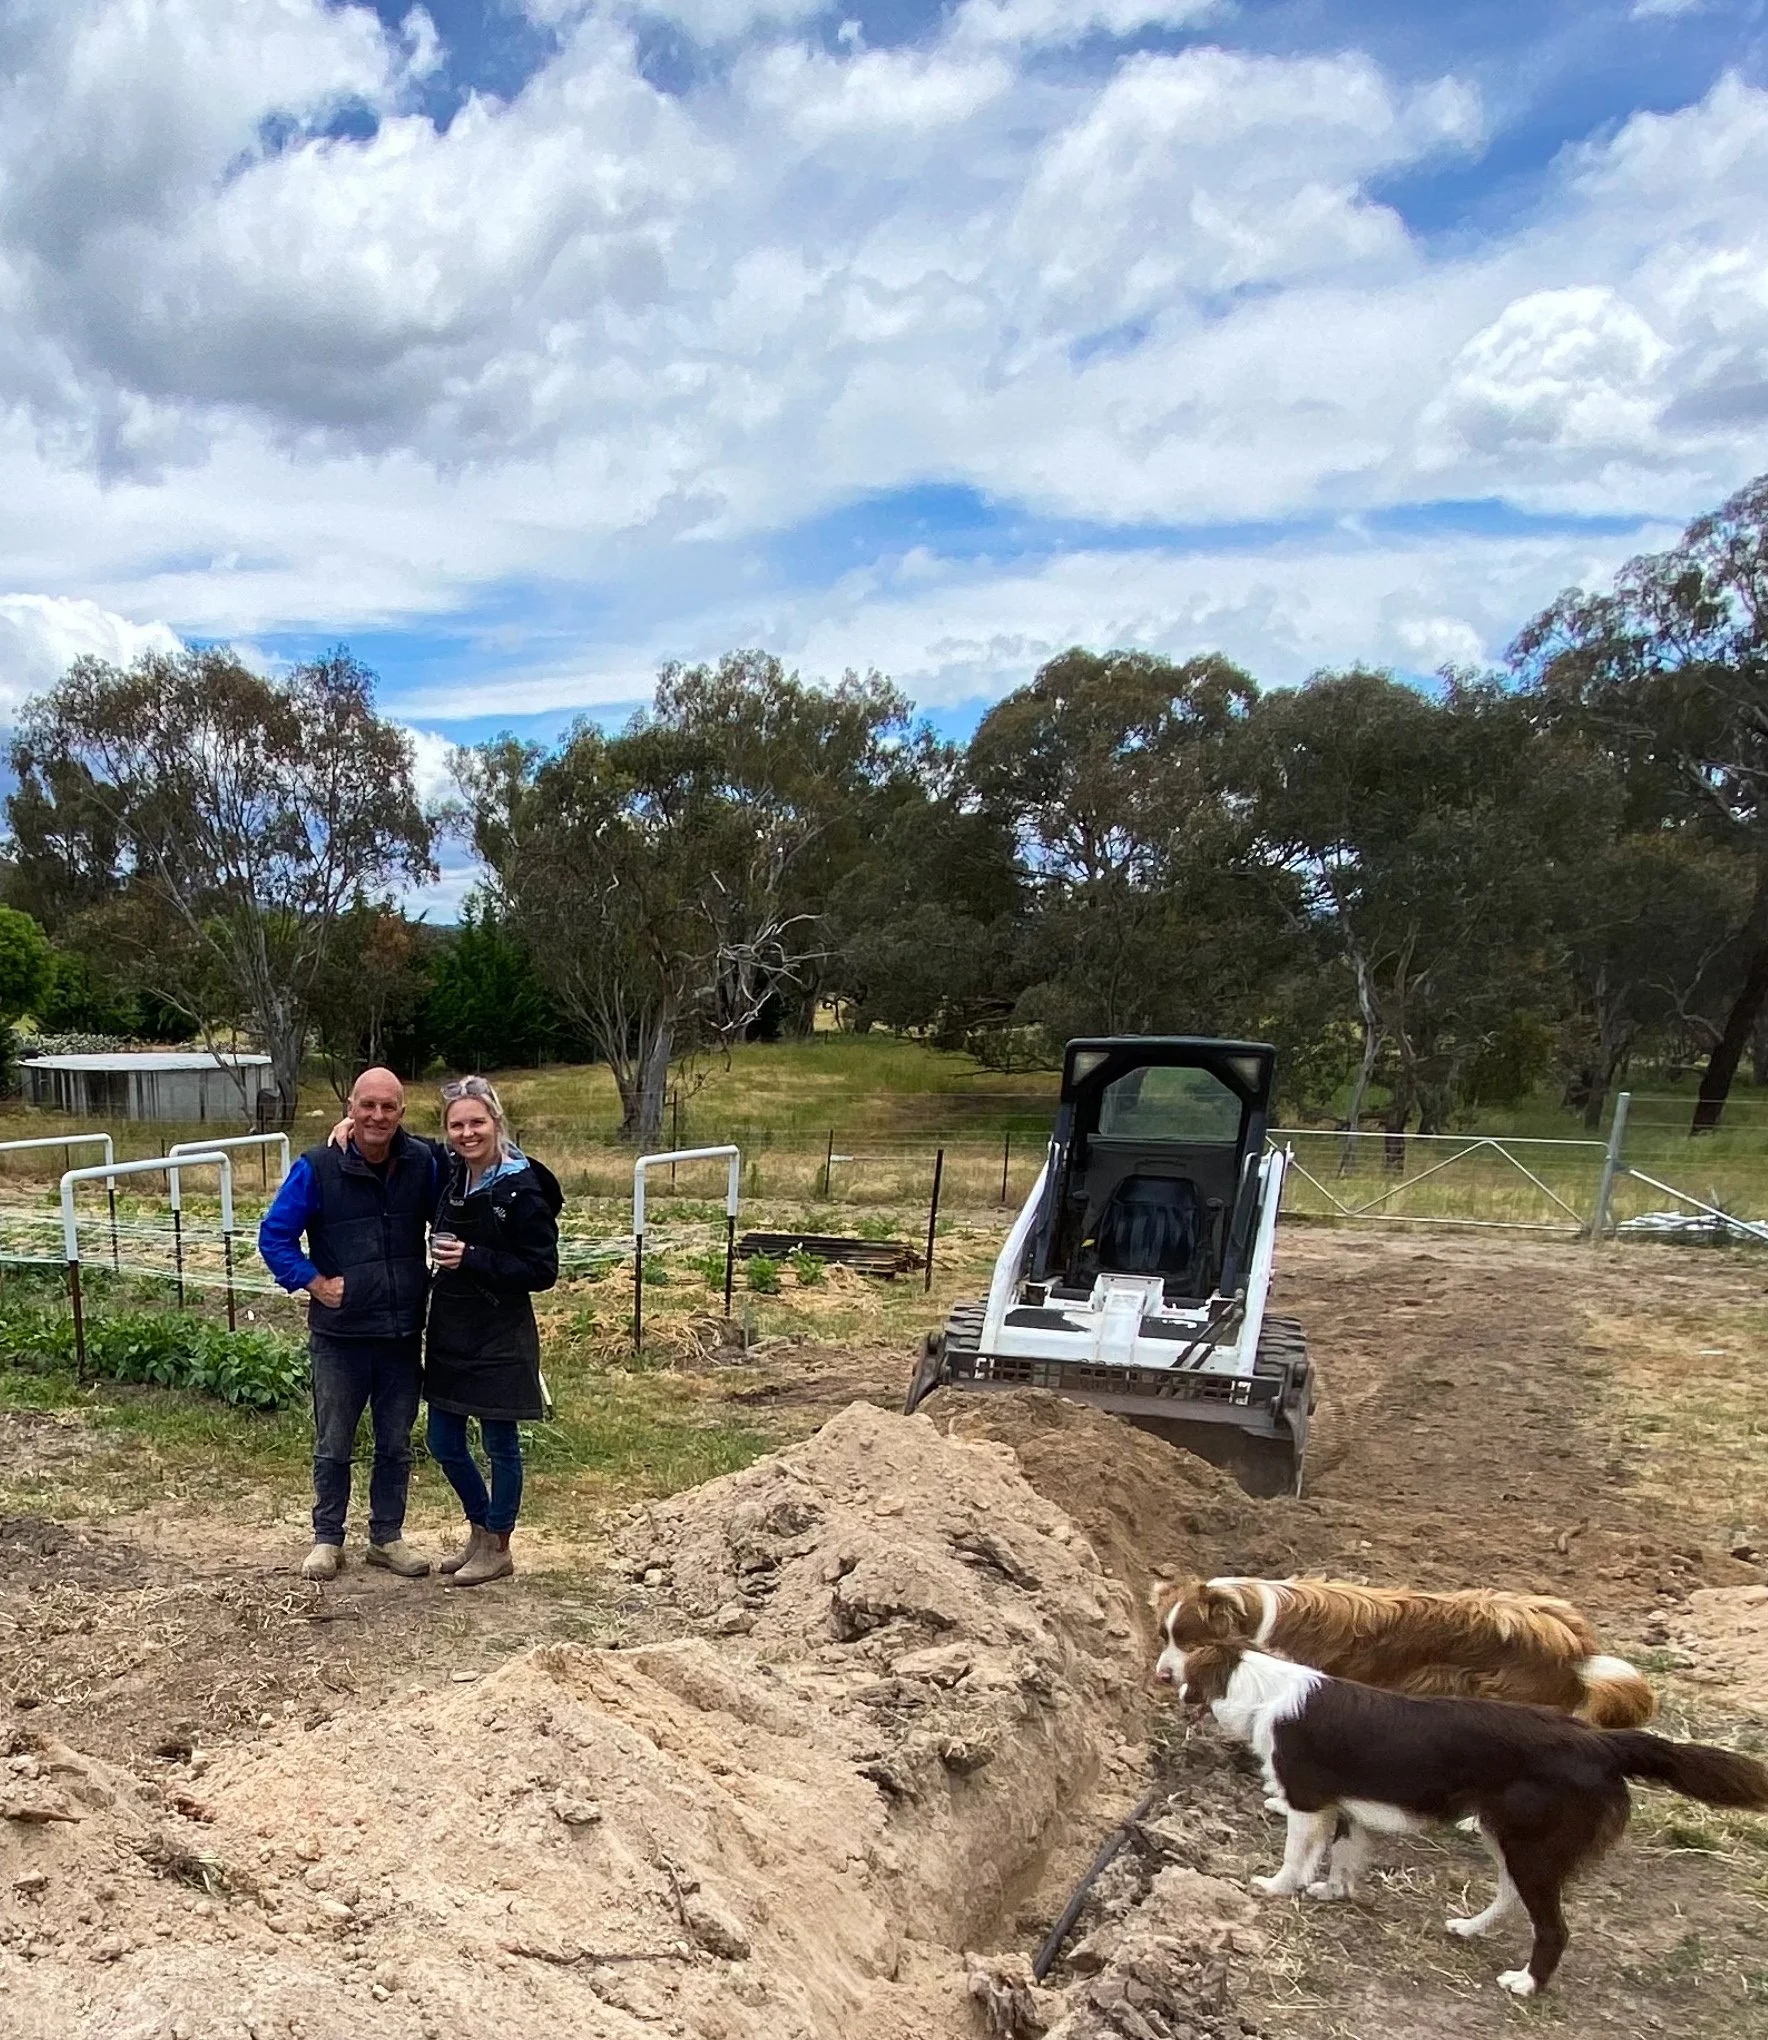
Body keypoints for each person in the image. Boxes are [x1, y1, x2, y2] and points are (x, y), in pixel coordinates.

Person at [258, 1067, 440, 1581]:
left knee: (395, 1444)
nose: (377, 1116)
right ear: (350, 1108)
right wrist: (313, 1281)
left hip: (402, 1333)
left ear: (402, 1112)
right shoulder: (318, 1167)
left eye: (388, 1107)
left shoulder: (422, 1163)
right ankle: (327, 1539)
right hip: (340, 1337)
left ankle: (386, 1537)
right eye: (368, 1106)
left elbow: (474, 1162)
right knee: (333, 1442)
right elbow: (274, 1236)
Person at [420, 1076, 561, 1587]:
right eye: (457, 1124)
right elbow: (406, 1145)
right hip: (451, 1327)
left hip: (501, 1331)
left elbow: (543, 1270)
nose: (466, 1132)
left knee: (500, 1443)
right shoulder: (453, 1173)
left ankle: (499, 1544)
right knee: (443, 1440)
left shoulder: (523, 1188)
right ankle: (480, 1526)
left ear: (496, 1122)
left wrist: (474, 1258)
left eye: (477, 1122)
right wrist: (347, 1124)